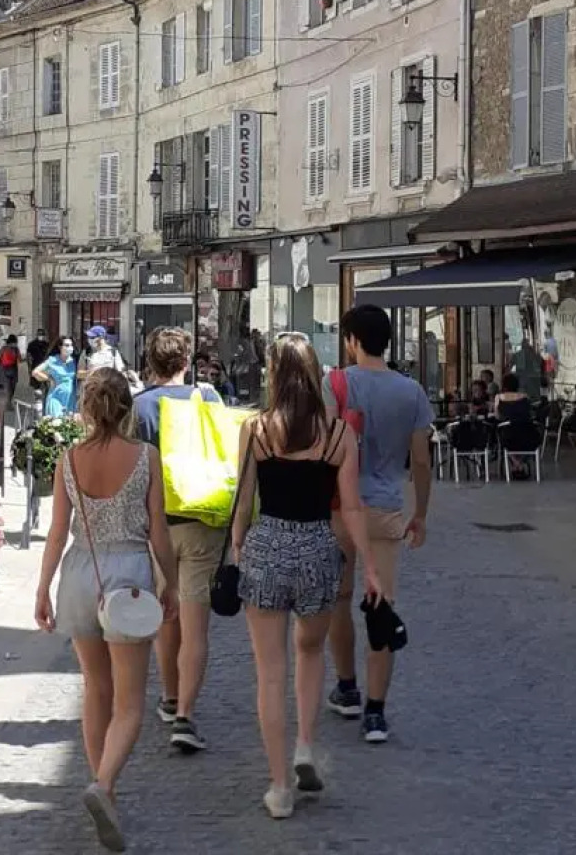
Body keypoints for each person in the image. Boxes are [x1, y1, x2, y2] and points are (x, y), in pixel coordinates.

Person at [232, 333, 381, 819]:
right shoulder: (339, 435)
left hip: (268, 547)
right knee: (311, 652)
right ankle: (304, 746)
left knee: (269, 674)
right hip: (319, 547)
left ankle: (279, 788)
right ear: (316, 373)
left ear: (272, 375)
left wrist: (238, 546)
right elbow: (352, 507)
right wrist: (371, 566)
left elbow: (244, 498)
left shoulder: (255, 429)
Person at [34, 368, 178, 853]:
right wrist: (171, 582)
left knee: (94, 688)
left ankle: (104, 786)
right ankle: (104, 784)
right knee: (131, 702)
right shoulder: (146, 458)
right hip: (130, 574)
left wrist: (42, 586)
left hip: (80, 572)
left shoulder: (68, 460)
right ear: (126, 409)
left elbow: (57, 531)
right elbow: (158, 529)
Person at [323, 305, 434, 744]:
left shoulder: (337, 384)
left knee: (340, 599)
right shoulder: (412, 392)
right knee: (381, 606)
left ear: (352, 340)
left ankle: (346, 687)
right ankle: (376, 711)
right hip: (385, 509)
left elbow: (325, 446)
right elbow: (421, 461)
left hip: (337, 507)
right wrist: (420, 512)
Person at [132, 327, 221, 752]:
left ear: (150, 362)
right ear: (187, 362)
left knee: (165, 614)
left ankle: (168, 695)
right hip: (203, 519)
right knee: (195, 622)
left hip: (158, 526)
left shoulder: (141, 407)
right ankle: (185, 713)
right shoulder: (211, 400)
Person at [32, 336, 78, 416]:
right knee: (57, 423)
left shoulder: (74, 361)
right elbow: (35, 372)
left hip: (70, 399)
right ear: (60, 347)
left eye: (71, 345)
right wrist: (49, 379)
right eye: (66, 345)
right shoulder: (52, 360)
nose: (70, 348)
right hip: (55, 397)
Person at [0, 334, 21, 405]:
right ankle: (8, 403)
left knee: (10, 388)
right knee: (9, 388)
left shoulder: (10, 349)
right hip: (9, 370)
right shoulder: (9, 348)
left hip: (8, 370)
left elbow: (20, 359)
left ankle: (8, 402)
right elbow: (20, 359)